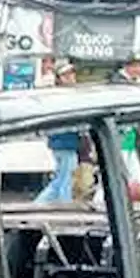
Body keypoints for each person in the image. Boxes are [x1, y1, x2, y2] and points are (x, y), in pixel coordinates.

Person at [35, 62, 81, 205]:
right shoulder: (58, 96)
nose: (70, 78)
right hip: (62, 142)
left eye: (71, 74)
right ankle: (64, 205)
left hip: (68, 143)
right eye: (65, 75)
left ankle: (39, 204)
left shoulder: (73, 95)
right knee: (65, 178)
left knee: (60, 179)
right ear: (58, 78)